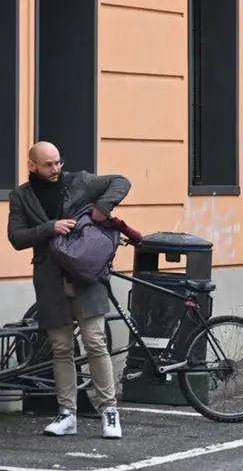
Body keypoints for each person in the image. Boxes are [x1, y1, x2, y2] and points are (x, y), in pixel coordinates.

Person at [6, 142, 131, 439]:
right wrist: (51, 227)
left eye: (59, 163)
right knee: (61, 348)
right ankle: (67, 414)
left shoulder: (80, 181)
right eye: (48, 165)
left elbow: (121, 182)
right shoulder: (21, 196)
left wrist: (102, 209)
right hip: (49, 279)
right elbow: (16, 237)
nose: (56, 170)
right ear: (32, 165)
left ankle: (109, 412)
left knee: (95, 341)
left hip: (86, 275)